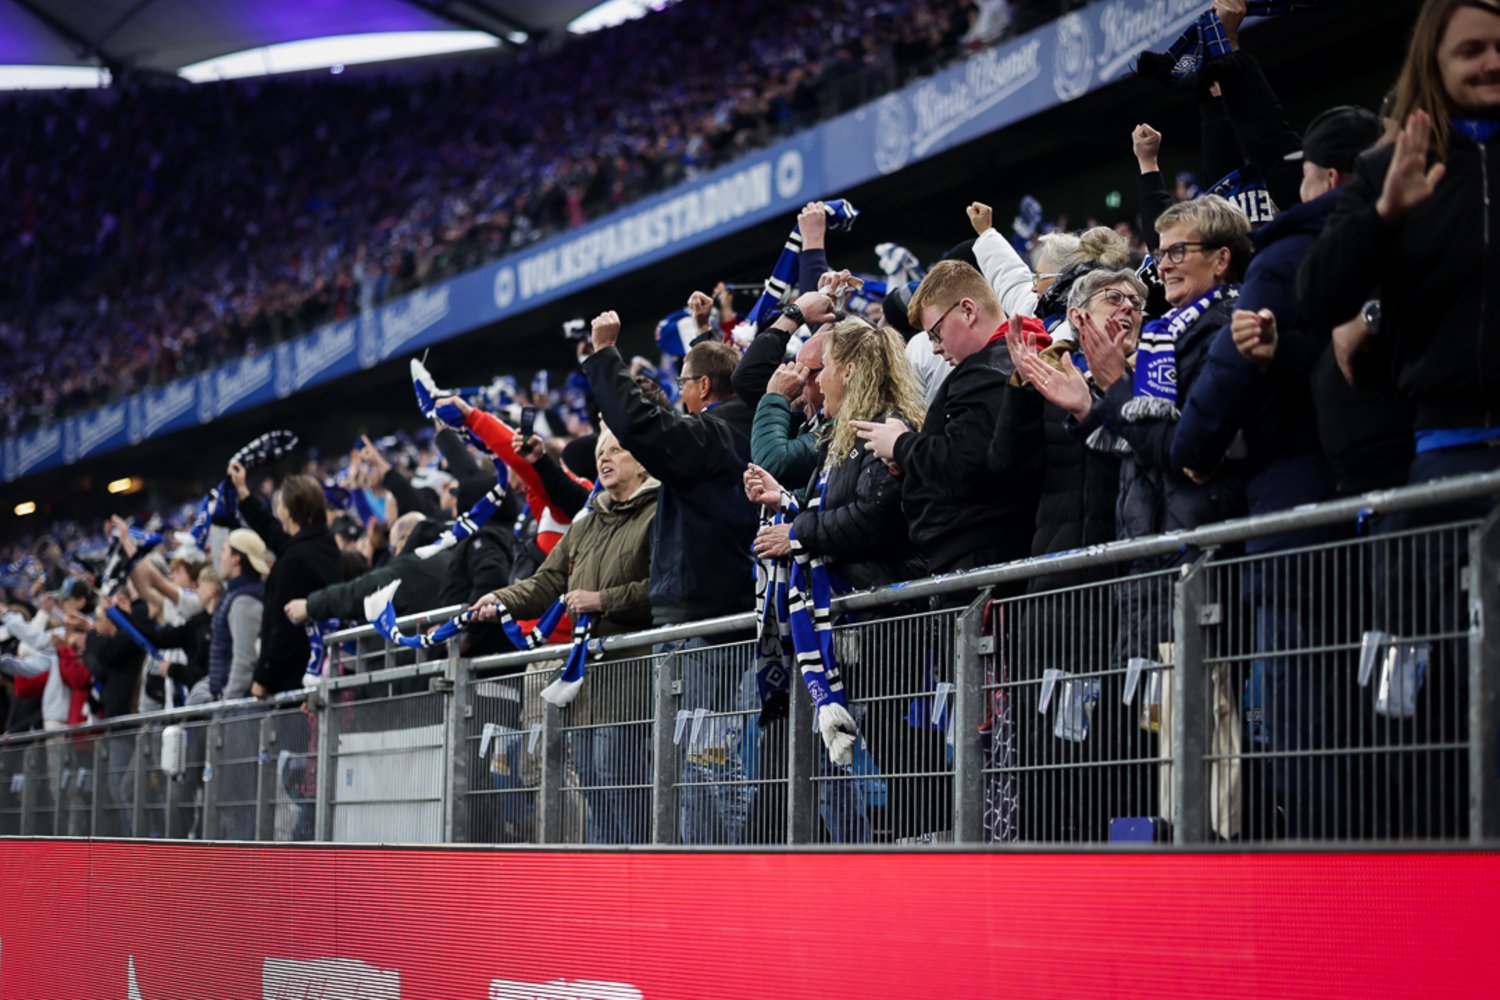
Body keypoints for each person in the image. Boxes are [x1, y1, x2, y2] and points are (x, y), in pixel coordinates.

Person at [744, 318, 927, 842]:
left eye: (822, 369)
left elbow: (876, 517)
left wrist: (797, 532)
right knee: (870, 750)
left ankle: (931, 848)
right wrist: (787, 501)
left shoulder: (884, 428)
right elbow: (836, 509)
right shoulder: (844, 436)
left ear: (848, 371)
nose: (816, 381)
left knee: (905, 751)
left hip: (888, 620)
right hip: (854, 622)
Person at [580, 310, 760, 845]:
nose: (677, 392)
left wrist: (605, 355)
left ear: (702, 388)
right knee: (696, 764)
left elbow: (644, 426)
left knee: (704, 766)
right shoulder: (726, 431)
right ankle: (705, 866)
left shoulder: (712, 438)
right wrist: (702, 333)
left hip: (700, 625)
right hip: (699, 620)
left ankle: (719, 870)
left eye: (683, 382)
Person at [470, 428, 659, 844]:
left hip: (630, 677)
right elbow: (546, 582)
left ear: (643, 462)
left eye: (616, 450)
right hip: (585, 685)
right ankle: (608, 874)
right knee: (592, 779)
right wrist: (500, 599)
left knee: (618, 779)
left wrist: (603, 600)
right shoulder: (586, 521)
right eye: (600, 452)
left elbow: (664, 585)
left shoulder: (661, 511)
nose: (605, 458)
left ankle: (641, 870)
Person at [855, 259, 1037, 579]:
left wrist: (901, 444)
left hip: (980, 558)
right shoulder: (998, 364)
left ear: (968, 310)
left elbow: (968, 464)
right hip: (979, 551)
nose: (936, 349)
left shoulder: (984, 370)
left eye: (936, 333)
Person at [229, 463, 342, 697]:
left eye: (280, 505)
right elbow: (272, 532)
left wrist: (263, 678)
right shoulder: (321, 545)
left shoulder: (296, 560)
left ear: (288, 512)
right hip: (316, 669)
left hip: (293, 683)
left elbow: (284, 629)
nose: (277, 512)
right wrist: (243, 493)